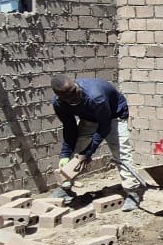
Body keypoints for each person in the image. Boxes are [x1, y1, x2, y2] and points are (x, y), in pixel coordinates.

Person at [50, 75, 144, 211]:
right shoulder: (59, 104)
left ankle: (133, 192)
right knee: (76, 152)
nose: (75, 97)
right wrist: (65, 154)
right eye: (69, 97)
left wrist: (87, 153)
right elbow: (69, 127)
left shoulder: (96, 96)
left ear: (75, 84)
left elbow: (104, 127)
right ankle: (66, 188)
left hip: (114, 115)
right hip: (89, 117)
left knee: (121, 153)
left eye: (74, 91)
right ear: (60, 97)